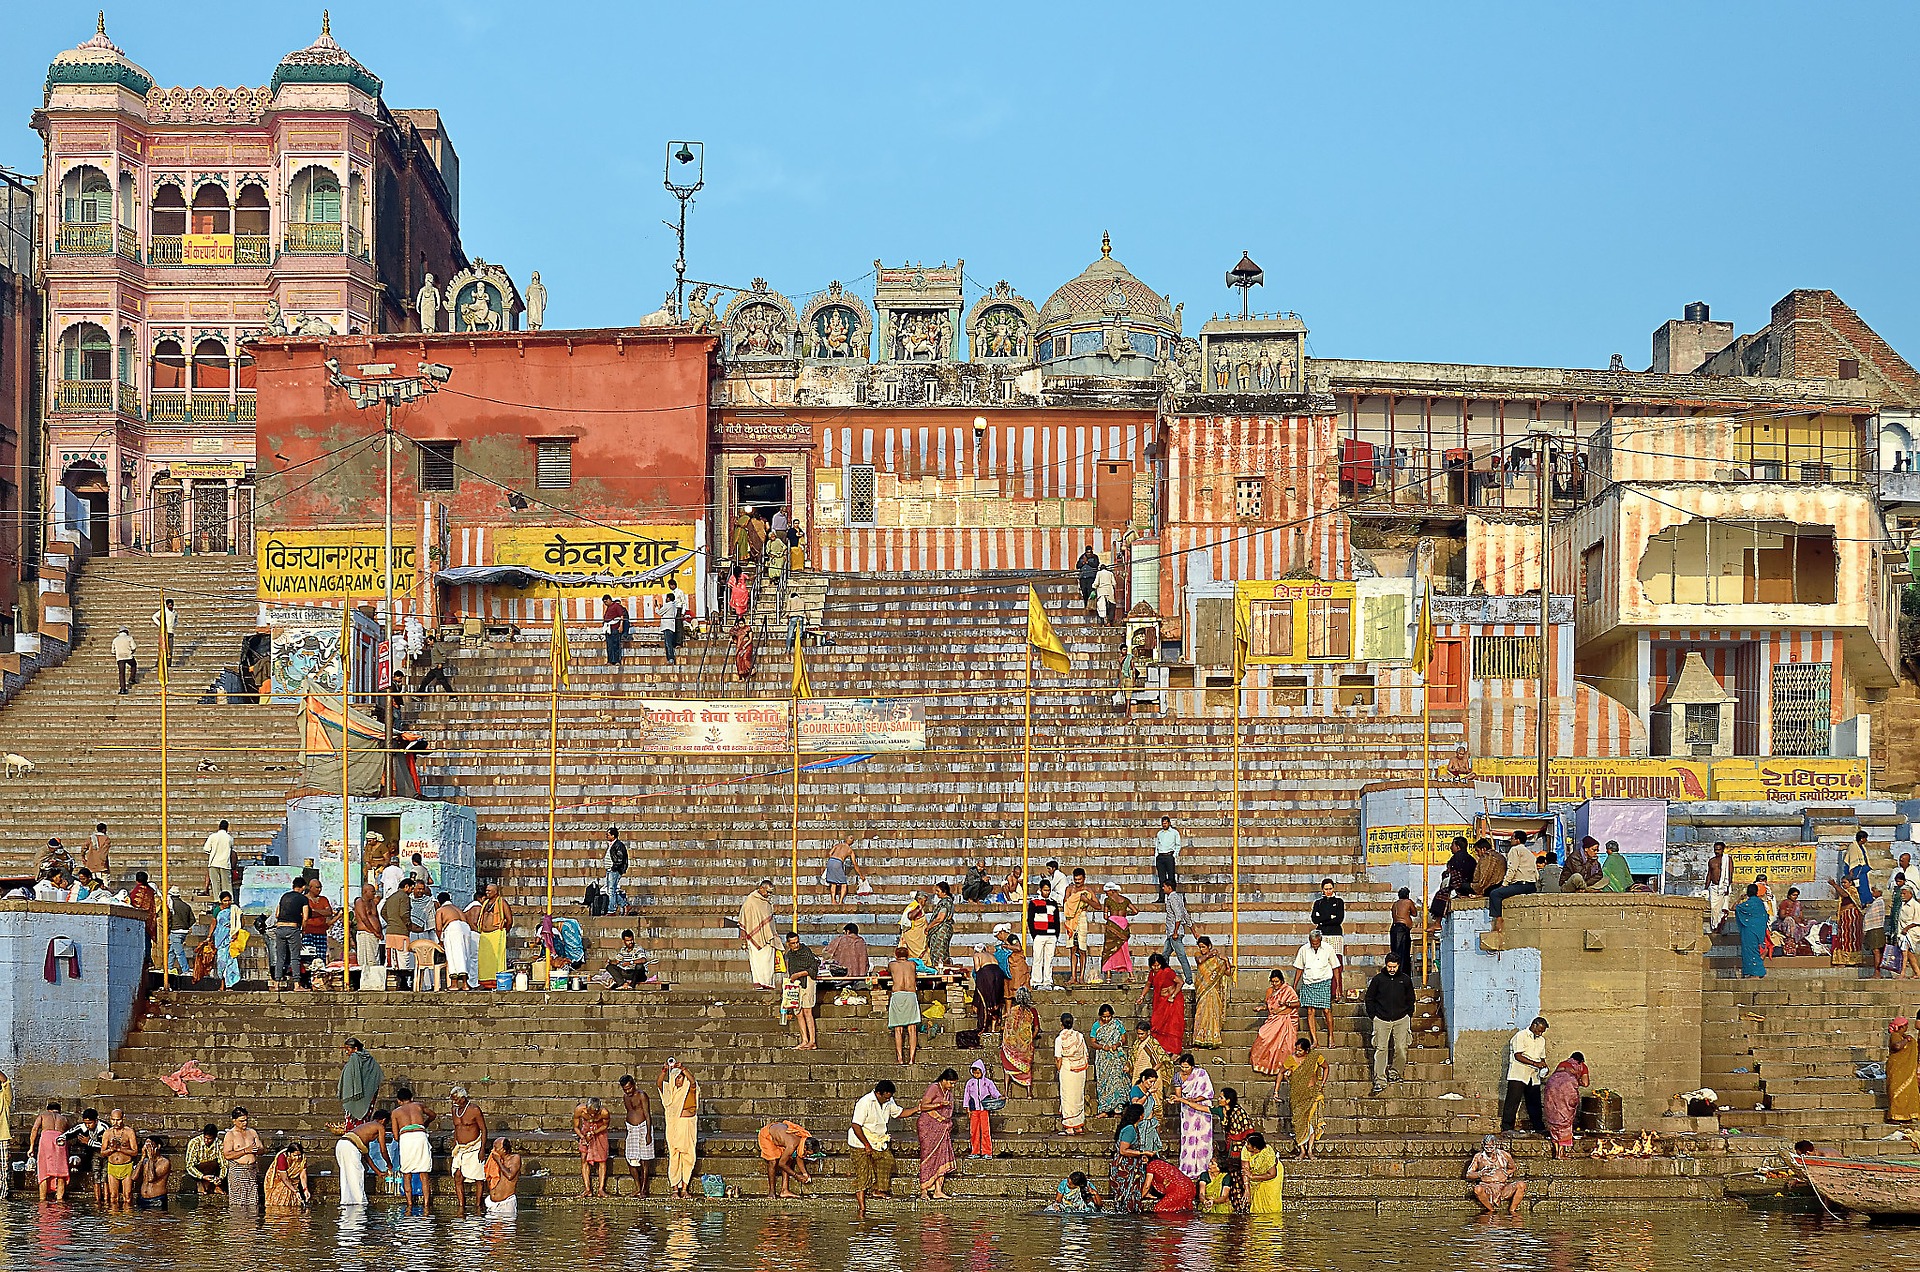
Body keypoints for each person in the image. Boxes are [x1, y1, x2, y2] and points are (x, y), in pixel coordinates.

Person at [849, 1079, 903, 1219]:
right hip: (860, 1142)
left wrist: (918, 1109)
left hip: (878, 1141)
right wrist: (866, 1144)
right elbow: (856, 1126)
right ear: (878, 1093)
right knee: (863, 1172)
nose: (888, 1100)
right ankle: (862, 1208)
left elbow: (898, 1113)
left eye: (889, 1097)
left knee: (887, 1160)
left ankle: (878, 1190)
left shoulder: (889, 1101)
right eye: (886, 1097)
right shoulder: (865, 1102)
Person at [1365, 954, 1415, 1094]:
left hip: (1401, 1019)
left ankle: (1395, 1073)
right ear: (1386, 965)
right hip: (1381, 1019)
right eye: (1389, 966)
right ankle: (1380, 1080)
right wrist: (1373, 1016)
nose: (1392, 969)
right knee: (1381, 1050)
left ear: (1398, 965)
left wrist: (1408, 1014)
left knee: (1401, 1048)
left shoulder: (1405, 980)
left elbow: (1411, 999)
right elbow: (1369, 999)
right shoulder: (1378, 980)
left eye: (1394, 966)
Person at [1251, 968, 1301, 1095]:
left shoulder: (1288, 990)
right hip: (1273, 1019)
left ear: (1282, 980)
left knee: (1284, 1044)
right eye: (1272, 981)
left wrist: (1287, 1003)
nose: (1274, 984)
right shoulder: (1270, 991)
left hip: (1286, 1018)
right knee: (1263, 1035)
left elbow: (1297, 1003)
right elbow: (1269, 1007)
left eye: (1277, 981)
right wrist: (1260, 1008)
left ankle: (1283, 1068)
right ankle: (1264, 1065)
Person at [915, 1069, 961, 1200]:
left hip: (942, 1127)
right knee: (928, 1157)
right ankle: (924, 1190)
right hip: (928, 1126)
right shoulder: (934, 1088)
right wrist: (940, 1104)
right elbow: (923, 1106)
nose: (952, 1086)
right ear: (944, 1080)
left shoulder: (948, 1092)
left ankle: (938, 1190)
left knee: (941, 1156)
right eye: (951, 1083)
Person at [1501, 1018, 1551, 1136]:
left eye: (1542, 1031)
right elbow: (1518, 1055)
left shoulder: (1541, 1040)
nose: (1540, 1033)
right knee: (1513, 1101)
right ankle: (1507, 1127)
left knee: (1534, 1102)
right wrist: (1535, 1063)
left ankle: (1538, 1126)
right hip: (1518, 1073)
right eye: (1539, 1030)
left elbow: (1542, 1057)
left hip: (1533, 1075)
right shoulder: (1521, 1036)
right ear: (1534, 1025)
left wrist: (1543, 1066)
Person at [336, 1107, 391, 1206]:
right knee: (357, 1174)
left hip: (341, 1144)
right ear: (383, 1120)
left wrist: (378, 1172)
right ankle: (359, 1203)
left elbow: (367, 1156)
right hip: (350, 1146)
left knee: (347, 1175)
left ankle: (347, 1202)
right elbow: (383, 1150)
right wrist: (389, 1164)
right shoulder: (380, 1127)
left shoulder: (365, 1128)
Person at [1171, 1053, 1215, 1178]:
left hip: (1202, 1108)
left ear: (1193, 1066)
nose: (1184, 1070)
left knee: (1202, 1139)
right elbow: (1179, 1095)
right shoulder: (1177, 1077)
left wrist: (1194, 1100)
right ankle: (1188, 1167)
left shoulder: (1201, 1074)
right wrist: (1176, 1099)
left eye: (1187, 1067)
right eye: (1182, 1067)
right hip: (1187, 1110)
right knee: (1189, 1137)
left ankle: (1203, 1167)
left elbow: (1208, 1092)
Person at [446, 1087, 488, 1214]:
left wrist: (482, 1149)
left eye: (455, 1099)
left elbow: (484, 1130)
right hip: (460, 1148)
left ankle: (478, 1205)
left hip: (474, 1147)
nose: (454, 1102)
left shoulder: (474, 1110)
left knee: (478, 1178)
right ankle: (461, 1205)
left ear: (463, 1098)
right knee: (457, 1176)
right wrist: (454, 1144)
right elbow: (456, 1128)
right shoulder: (454, 1110)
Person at [1293, 930, 1338, 1048]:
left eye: (1317, 943)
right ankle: (1314, 1040)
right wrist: (1294, 985)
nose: (1315, 945)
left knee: (1327, 1010)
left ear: (1320, 941)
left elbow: (1335, 967)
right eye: (1313, 943)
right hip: (1308, 982)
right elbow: (1299, 968)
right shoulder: (1303, 950)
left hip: (1324, 981)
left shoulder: (1328, 949)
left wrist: (1338, 986)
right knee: (1310, 1011)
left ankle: (1331, 1036)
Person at [390, 1087, 435, 1205]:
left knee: (406, 1173)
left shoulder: (395, 1112)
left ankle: (409, 1203)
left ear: (399, 1101)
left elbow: (395, 1136)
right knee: (424, 1173)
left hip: (406, 1138)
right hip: (421, 1136)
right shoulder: (419, 1105)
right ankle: (426, 1204)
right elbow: (433, 1115)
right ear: (411, 1098)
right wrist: (425, 1124)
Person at [1488, 833, 1540, 935]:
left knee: (1495, 894)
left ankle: (1498, 919)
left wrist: (1505, 883)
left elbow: (1512, 869)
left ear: (1517, 840)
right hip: (1531, 885)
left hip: (1521, 884)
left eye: (1512, 838)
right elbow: (1535, 872)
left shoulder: (1515, 850)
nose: (1511, 840)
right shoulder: (1529, 853)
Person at [661, 1058, 699, 1197]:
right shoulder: (671, 1092)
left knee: (689, 1157)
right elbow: (659, 1084)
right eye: (677, 1078)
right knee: (675, 1157)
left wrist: (683, 1069)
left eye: (681, 1078)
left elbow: (693, 1081)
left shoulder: (689, 1088)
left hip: (689, 1125)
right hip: (676, 1127)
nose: (679, 1081)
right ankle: (675, 1189)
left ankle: (685, 1188)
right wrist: (665, 1071)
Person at [1283, 1038, 1327, 1157]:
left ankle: (1310, 1150)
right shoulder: (1291, 1059)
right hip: (1297, 1096)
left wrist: (1322, 1083)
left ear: (1307, 1050)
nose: (1297, 1052)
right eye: (1296, 1050)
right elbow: (1281, 1072)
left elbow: (1326, 1067)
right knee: (1298, 1123)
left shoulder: (1315, 1057)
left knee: (1311, 1123)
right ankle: (1302, 1150)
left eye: (1300, 1050)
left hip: (1313, 1094)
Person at [1140, 951, 1185, 1064]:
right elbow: (1148, 985)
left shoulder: (1167, 972)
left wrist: (1173, 996)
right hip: (1160, 1002)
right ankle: (1164, 1050)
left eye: (1158, 965)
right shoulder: (1152, 973)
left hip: (1173, 1001)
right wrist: (1142, 996)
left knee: (1173, 1026)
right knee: (1158, 1024)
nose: (1156, 967)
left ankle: (1175, 1052)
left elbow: (1180, 982)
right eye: (1153, 965)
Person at [1541, 1053, 1589, 1158]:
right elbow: (1585, 1083)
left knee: (1554, 1119)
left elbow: (1556, 1076)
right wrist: (1577, 1080)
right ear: (1581, 1060)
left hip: (1551, 1088)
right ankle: (1561, 1153)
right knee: (1565, 1120)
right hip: (1567, 1088)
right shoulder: (1582, 1066)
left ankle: (1557, 1151)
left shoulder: (1563, 1063)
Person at [1108, 1104, 1153, 1213]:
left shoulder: (1133, 1128)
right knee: (1127, 1195)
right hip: (1124, 1168)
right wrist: (1143, 1152)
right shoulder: (1130, 1130)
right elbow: (1123, 1150)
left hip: (1130, 1166)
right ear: (1139, 1116)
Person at [1090, 1002, 1132, 1117]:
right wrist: (1103, 1046)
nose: (1107, 1019)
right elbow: (1093, 1042)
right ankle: (1105, 1109)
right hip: (1103, 1058)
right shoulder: (1096, 1026)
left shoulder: (1117, 1024)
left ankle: (1118, 1109)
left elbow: (1124, 1038)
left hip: (1116, 1057)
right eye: (1104, 1017)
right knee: (1104, 1082)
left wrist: (1117, 1044)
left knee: (1117, 1081)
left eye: (1109, 1016)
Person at [1467, 1134, 1525, 1214]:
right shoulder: (1479, 1157)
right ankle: (1491, 1210)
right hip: (1487, 1187)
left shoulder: (1505, 1155)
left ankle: (1512, 1211)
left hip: (1503, 1186)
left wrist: (1506, 1173)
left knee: (1521, 1185)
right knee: (1478, 1189)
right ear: (1483, 1146)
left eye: (1491, 1147)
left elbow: (1513, 1168)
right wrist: (1480, 1173)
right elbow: (1469, 1174)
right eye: (1486, 1147)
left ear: (1496, 1145)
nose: (1489, 1150)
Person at [265, 876, 305, 989]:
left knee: (280, 957)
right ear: (303, 887)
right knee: (295, 957)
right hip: (293, 928)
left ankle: (276, 984)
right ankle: (297, 985)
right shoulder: (302, 899)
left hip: (280, 928)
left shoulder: (284, 896)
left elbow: (277, 914)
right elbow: (305, 917)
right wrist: (303, 928)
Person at [618, 1073, 655, 1196]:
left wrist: (648, 1133)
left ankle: (644, 1189)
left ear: (634, 1084)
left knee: (645, 1160)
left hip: (643, 1127)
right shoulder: (625, 1097)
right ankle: (638, 1188)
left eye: (629, 1088)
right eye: (625, 1089)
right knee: (631, 1159)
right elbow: (629, 1112)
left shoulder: (642, 1095)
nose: (628, 1091)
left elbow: (647, 1114)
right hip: (631, 1129)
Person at [738, 878, 778, 988]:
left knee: (768, 962)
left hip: (768, 936)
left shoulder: (767, 903)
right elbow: (743, 917)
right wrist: (743, 931)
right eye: (767, 892)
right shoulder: (751, 900)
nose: (768, 895)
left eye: (770, 893)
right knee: (756, 961)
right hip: (753, 936)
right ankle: (758, 983)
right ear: (761, 888)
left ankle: (768, 983)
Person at [759, 1118, 813, 1198]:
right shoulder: (792, 1144)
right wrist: (796, 1175)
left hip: (780, 1136)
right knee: (773, 1162)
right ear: (805, 1147)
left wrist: (805, 1173)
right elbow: (781, 1163)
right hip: (768, 1135)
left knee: (789, 1160)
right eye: (807, 1153)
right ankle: (771, 1192)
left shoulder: (803, 1138)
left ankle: (785, 1190)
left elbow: (799, 1156)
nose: (807, 1156)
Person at [222, 1106, 263, 1211]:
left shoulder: (252, 1132)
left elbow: (262, 1149)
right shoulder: (230, 1135)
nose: (245, 1123)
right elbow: (227, 1155)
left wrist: (256, 1150)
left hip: (252, 1170)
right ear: (234, 1121)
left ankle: (251, 1226)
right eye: (241, 1121)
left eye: (246, 1120)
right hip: (237, 1170)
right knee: (239, 1204)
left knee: (253, 1202)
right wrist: (245, 1150)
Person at [886, 945, 923, 1063]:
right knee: (912, 1029)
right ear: (907, 955)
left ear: (896, 955)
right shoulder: (912, 964)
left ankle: (900, 1058)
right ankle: (912, 1058)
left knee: (898, 1029)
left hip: (898, 995)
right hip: (910, 995)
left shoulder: (892, 964)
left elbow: (887, 971)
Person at [1055, 1013, 1090, 1134]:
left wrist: (1059, 1070)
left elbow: (1058, 1058)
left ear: (1061, 1024)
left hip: (1067, 1068)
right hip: (1080, 1069)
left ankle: (1070, 1126)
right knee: (1078, 1096)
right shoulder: (1079, 1036)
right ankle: (1078, 1126)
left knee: (1068, 1097)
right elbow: (1085, 1053)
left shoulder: (1060, 1039)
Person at [785, 931, 820, 1050]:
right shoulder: (789, 955)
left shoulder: (806, 951)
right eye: (793, 943)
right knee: (798, 1012)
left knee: (807, 1011)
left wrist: (798, 974)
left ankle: (812, 1041)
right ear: (788, 944)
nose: (796, 945)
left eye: (797, 942)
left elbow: (813, 969)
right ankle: (804, 1039)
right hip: (795, 985)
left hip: (807, 982)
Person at [1191, 935, 1229, 1047]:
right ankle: (1199, 1039)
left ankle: (1213, 1040)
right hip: (1202, 991)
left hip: (1213, 991)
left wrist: (1226, 960)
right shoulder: (1198, 955)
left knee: (1213, 1014)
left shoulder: (1217, 960)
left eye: (1204, 947)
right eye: (1200, 947)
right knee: (1201, 1014)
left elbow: (1227, 973)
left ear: (1209, 946)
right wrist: (1210, 954)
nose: (1202, 950)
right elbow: (1199, 960)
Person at [1062, 868, 1097, 984]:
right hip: (1071, 919)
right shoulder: (1069, 889)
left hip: (1082, 917)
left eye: (1080, 880)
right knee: (1072, 948)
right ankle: (1073, 977)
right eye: (1076, 880)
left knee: (1082, 949)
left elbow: (1098, 906)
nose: (1077, 882)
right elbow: (1066, 904)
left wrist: (1086, 900)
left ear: (1084, 878)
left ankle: (1081, 977)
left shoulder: (1087, 889)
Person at [1003, 987, 1041, 1091]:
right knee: (1027, 1068)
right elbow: (1036, 1028)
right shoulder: (1032, 1011)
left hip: (1010, 1045)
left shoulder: (1012, 1010)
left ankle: (1006, 1092)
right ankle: (1029, 1093)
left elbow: (1008, 1029)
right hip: (1025, 1046)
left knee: (1007, 1070)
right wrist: (1029, 1040)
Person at [574, 1095, 611, 1198]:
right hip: (585, 1132)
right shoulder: (579, 1110)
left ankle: (601, 1189)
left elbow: (605, 1125)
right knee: (583, 1159)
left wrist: (595, 1132)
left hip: (600, 1133)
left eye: (595, 1113)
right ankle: (587, 1189)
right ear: (586, 1108)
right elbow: (576, 1127)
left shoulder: (604, 1113)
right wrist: (582, 1137)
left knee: (602, 1160)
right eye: (591, 1113)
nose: (593, 1115)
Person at [99, 1109, 137, 1209]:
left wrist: (120, 1149)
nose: (116, 1123)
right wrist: (111, 1149)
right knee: (113, 1197)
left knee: (127, 1196)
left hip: (126, 1166)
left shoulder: (129, 1132)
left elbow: (135, 1152)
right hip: (112, 1167)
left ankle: (127, 1220)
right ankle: (114, 1221)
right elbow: (102, 1153)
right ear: (110, 1119)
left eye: (118, 1120)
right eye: (113, 1120)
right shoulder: (107, 1133)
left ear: (123, 1118)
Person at [964, 1059, 1002, 1157]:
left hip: (984, 1109)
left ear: (982, 1071)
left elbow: (993, 1091)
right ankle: (975, 1151)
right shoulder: (970, 1083)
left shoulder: (987, 1082)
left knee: (985, 1131)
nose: (976, 1075)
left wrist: (998, 1096)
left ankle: (987, 1152)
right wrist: (967, 1108)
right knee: (974, 1131)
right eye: (974, 1073)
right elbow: (966, 1096)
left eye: (978, 1073)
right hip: (974, 1109)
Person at [339, 1038, 382, 1122]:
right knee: (365, 1116)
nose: (347, 1053)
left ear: (355, 1049)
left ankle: (355, 1132)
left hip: (358, 1093)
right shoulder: (369, 1057)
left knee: (355, 1116)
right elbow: (376, 1072)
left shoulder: (354, 1057)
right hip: (370, 1092)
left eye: (348, 1050)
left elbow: (354, 1078)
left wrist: (356, 1090)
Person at [351, 884, 385, 991]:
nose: (374, 894)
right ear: (365, 892)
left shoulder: (372, 902)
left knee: (374, 960)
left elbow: (376, 917)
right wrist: (374, 931)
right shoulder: (359, 902)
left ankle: (374, 983)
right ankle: (364, 983)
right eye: (372, 892)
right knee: (365, 961)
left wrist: (379, 931)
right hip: (365, 934)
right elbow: (364, 919)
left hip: (374, 936)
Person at [1028, 880, 1061, 989]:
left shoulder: (1053, 902)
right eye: (1045, 890)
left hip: (1051, 935)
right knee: (1037, 958)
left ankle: (1047, 980)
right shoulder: (1034, 902)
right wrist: (1035, 934)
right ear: (1040, 889)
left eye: (1048, 890)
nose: (1047, 892)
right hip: (1039, 934)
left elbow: (1057, 920)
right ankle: (1036, 981)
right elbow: (1030, 920)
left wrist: (1056, 935)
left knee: (1049, 959)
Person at [1102, 884, 1137, 983]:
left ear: (1112, 891)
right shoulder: (1125, 900)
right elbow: (1135, 911)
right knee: (1124, 950)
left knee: (1108, 950)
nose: (1106, 894)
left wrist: (1113, 917)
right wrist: (1124, 914)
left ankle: (1108, 977)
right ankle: (1131, 975)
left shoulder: (1107, 900)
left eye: (1107, 892)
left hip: (1112, 924)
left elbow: (1105, 916)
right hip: (1123, 924)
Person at [1160, 882, 1194, 984]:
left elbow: (1179, 915)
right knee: (1164, 956)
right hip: (1171, 933)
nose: (1163, 888)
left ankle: (1189, 980)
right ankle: (1165, 977)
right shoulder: (1177, 897)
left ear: (1169, 887)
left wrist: (1175, 932)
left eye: (1164, 886)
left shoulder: (1173, 898)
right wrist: (1193, 931)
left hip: (1174, 933)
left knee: (1181, 956)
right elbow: (1185, 914)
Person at [1734, 883, 1770, 978]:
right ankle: (1756, 972)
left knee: (1749, 951)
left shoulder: (1747, 904)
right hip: (1759, 931)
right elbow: (1765, 917)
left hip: (1749, 931)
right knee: (1756, 951)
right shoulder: (1760, 904)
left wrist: (1740, 899)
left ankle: (1755, 973)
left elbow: (1733, 908)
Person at [1241, 1132, 1283, 1213]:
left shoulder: (1268, 1154)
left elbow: (1272, 1174)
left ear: (1255, 1147)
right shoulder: (1245, 1150)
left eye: (1248, 1143)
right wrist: (1247, 1190)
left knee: (1271, 1201)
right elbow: (1245, 1170)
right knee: (1256, 1203)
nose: (1246, 1144)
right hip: (1255, 1175)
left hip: (1272, 1176)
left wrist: (1253, 1177)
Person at [262, 1143, 311, 1210]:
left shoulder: (302, 1159)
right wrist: (295, 1191)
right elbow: (284, 1178)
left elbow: (303, 1176)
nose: (297, 1158)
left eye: (299, 1155)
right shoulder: (282, 1158)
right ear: (289, 1154)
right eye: (295, 1155)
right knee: (281, 1199)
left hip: (293, 1181)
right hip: (278, 1180)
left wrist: (305, 1190)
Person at [972, 943, 1007, 1034]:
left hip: (987, 973)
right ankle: (994, 1027)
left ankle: (982, 1025)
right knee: (995, 999)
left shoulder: (977, 955)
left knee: (984, 997)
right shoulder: (991, 955)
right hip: (999, 973)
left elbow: (977, 969)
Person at [1890, 1017, 1919, 1123]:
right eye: (1906, 1025)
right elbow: (1896, 1046)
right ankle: (1894, 1115)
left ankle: (1906, 1115)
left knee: (1907, 1091)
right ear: (1901, 1027)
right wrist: (1906, 1040)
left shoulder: (1902, 1036)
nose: (1907, 1027)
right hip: (1897, 1068)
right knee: (1897, 1091)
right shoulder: (1895, 1036)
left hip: (1906, 1069)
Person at [484, 1137, 522, 1219]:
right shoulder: (493, 1159)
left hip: (506, 1203)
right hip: (492, 1204)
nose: (493, 1151)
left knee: (505, 1231)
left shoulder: (515, 1158)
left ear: (504, 1150)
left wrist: (498, 1161)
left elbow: (510, 1176)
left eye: (496, 1148)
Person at [210, 892, 242, 990]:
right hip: (220, 939)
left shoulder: (234, 910)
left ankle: (229, 985)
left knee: (231, 962)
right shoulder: (217, 910)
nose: (227, 903)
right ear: (221, 901)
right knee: (221, 962)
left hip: (231, 939)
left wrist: (236, 932)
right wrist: (209, 936)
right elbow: (213, 923)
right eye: (225, 901)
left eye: (229, 900)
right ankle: (222, 984)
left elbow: (241, 922)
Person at [184, 1122, 225, 1195]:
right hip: (198, 1171)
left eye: (209, 1139)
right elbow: (189, 1165)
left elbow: (223, 1164)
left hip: (213, 1171)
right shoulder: (194, 1142)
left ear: (215, 1137)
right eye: (205, 1138)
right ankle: (201, 1185)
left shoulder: (219, 1144)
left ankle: (216, 1186)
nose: (206, 1141)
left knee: (214, 1164)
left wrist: (220, 1178)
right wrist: (202, 1176)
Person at [164, 887, 195, 980]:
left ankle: (185, 970)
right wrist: (186, 926)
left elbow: (169, 919)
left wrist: (168, 929)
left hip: (175, 931)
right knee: (172, 951)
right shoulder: (186, 906)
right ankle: (168, 968)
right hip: (184, 931)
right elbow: (192, 920)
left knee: (179, 952)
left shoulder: (171, 905)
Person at [134, 1135, 171, 1210]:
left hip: (157, 1200)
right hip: (142, 1199)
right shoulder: (145, 1162)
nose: (147, 1148)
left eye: (150, 1145)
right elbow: (134, 1177)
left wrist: (151, 1158)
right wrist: (142, 1158)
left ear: (158, 1146)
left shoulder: (165, 1162)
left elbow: (151, 1178)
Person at [925, 880, 956, 968]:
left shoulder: (945, 902)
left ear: (944, 892)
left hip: (941, 930)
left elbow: (940, 918)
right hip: (944, 929)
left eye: (938, 891)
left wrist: (929, 927)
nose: (936, 893)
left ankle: (940, 972)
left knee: (939, 953)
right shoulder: (948, 902)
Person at [823, 837, 860, 906]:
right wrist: (861, 875)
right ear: (852, 842)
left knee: (833, 883)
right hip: (838, 862)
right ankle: (840, 901)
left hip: (830, 861)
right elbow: (855, 864)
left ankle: (833, 900)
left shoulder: (837, 845)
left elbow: (830, 853)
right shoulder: (850, 850)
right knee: (844, 884)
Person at [1705, 841, 1733, 929]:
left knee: (1723, 909)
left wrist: (1727, 887)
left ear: (1723, 849)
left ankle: (1721, 926)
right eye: (1715, 849)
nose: (1717, 851)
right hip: (1714, 888)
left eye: (1719, 849)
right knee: (1714, 908)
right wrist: (1705, 888)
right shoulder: (1711, 861)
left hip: (1724, 887)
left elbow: (1730, 872)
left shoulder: (1727, 859)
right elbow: (1709, 874)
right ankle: (1715, 925)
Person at [1390, 887, 1419, 970]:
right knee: (1403, 953)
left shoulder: (1395, 904)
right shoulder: (1408, 902)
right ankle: (1401, 972)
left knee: (1395, 951)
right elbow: (1414, 913)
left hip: (1394, 928)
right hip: (1402, 929)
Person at [602, 827, 630, 915]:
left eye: (608, 835)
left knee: (611, 890)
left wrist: (614, 868)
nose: (606, 836)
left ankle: (612, 910)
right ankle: (625, 905)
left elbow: (620, 859)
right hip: (610, 870)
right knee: (611, 890)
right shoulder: (612, 845)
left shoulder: (618, 845)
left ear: (613, 836)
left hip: (614, 871)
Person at [203, 819, 233, 897]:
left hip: (214, 863)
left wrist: (213, 851)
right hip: (225, 864)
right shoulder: (229, 838)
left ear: (219, 827)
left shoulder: (212, 836)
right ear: (227, 828)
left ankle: (217, 900)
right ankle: (228, 900)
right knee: (226, 885)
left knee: (215, 884)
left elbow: (206, 849)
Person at [1153, 816, 1183, 890]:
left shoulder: (1174, 832)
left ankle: (1173, 895)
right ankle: (1161, 897)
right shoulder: (1159, 833)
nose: (1164, 825)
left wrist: (1174, 855)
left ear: (1169, 823)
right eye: (1163, 823)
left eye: (1165, 823)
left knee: (1171, 877)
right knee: (1161, 878)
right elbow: (1157, 845)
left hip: (1169, 856)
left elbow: (1178, 845)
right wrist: (1156, 856)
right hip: (1160, 857)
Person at [601, 594, 629, 666]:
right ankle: (610, 660)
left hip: (615, 628)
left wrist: (621, 626)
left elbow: (621, 616)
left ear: (609, 600)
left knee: (616, 645)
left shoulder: (616, 606)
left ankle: (617, 661)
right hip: (608, 629)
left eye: (606, 602)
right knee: (609, 646)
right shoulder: (609, 607)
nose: (605, 604)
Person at [84, 822, 112, 887]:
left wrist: (83, 857)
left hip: (91, 865)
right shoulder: (106, 839)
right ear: (104, 830)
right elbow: (104, 853)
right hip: (102, 866)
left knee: (92, 884)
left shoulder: (90, 838)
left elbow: (83, 849)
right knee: (105, 884)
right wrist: (103, 862)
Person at [152, 598, 177, 668]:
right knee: (163, 648)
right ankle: (159, 663)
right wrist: (161, 625)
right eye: (169, 605)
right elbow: (154, 617)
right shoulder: (163, 611)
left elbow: (176, 620)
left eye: (171, 605)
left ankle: (169, 663)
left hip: (171, 632)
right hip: (164, 632)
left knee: (170, 648)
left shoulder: (175, 612)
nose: (170, 607)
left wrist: (174, 625)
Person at [113, 627, 137, 694]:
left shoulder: (115, 639)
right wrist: (132, 651)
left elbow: (113, 650)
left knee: (121, 673)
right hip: (128, 655)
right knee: (133, 665)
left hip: (120, 657)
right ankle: (132, 678)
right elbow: (134, 647)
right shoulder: (129, 638)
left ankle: (122, 689)